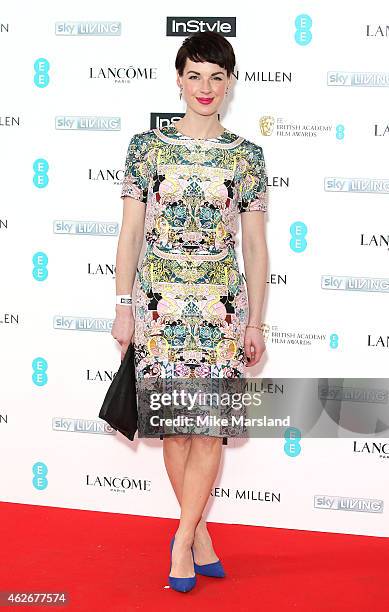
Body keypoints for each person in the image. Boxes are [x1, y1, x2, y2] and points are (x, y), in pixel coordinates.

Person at [111, 31, 269, 593]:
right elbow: (131, 233)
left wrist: (254, 321)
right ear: (178, 79)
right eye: (195, 74)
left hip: (222, 315)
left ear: (230, 85)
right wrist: (125, 305)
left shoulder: (247, 156)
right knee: (175, 432)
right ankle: (199, 532)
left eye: (217, 77)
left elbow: (253, 246)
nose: (206, 88)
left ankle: (180, 539)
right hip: (159, 310)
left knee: (206, 433)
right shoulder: (145, 149)